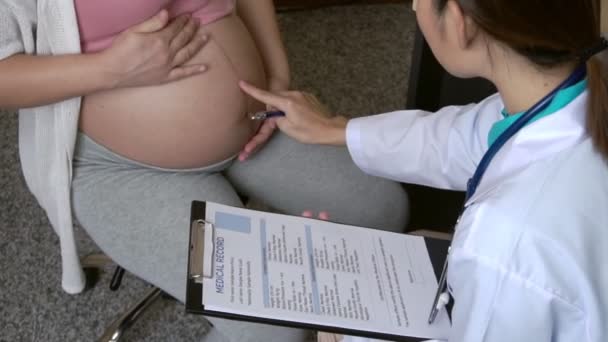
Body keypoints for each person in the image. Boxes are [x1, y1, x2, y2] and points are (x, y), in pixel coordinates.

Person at [0, 1, 409, 341]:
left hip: (258, 118)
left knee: (382, 210)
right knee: (273, 328)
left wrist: (277, 77)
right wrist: (111, 69)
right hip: (124, 166)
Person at [239, 0, 608, 341]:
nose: (415, 7)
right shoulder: (572, 92)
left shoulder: (504, 240)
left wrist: (343, 324)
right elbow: (464, 138)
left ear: (461, 25)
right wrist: (336, 129)